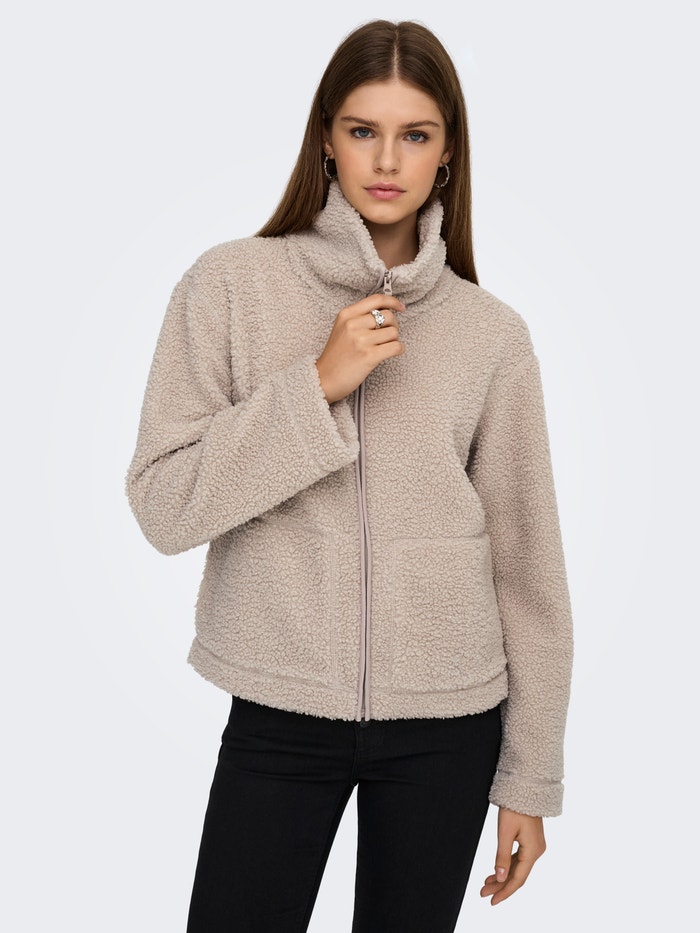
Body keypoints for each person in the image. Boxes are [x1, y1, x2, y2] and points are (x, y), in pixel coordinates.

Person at [125, 18, 574, 933]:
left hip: (450, 726)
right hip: (280, 708)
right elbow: (164, 503)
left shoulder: (492, 335)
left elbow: (529, 568)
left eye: (416, 134)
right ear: (326, 138)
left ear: (448, 153)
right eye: (363, 129)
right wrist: (315, 388)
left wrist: (530, 776)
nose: (388, 159)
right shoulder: (229, 287)